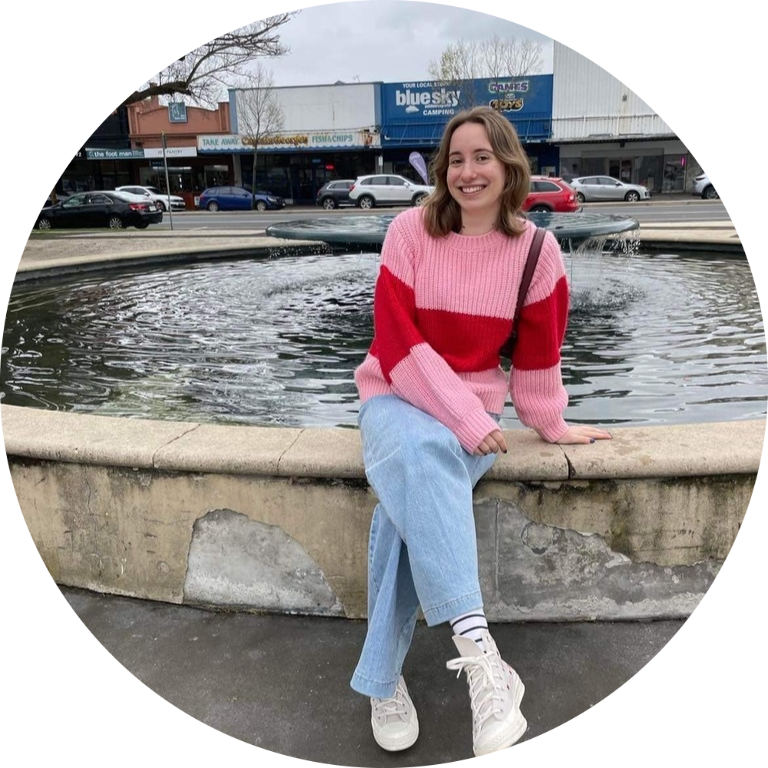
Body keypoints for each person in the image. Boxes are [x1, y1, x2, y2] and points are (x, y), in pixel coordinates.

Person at [350, 105, 612, 757]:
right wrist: (465, 418)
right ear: (443, 170)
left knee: (401, 508)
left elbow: (539, 356)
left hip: (472, 417)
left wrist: (551, 424)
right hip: (391, 397)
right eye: (457, 159)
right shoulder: (409, 231)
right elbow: (394, 341)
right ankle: (482, 655)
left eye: (482, 157)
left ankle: (383, 680)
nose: (468, 172)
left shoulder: (536, 252)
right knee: (420, 447)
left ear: (508, 165)